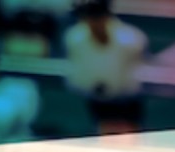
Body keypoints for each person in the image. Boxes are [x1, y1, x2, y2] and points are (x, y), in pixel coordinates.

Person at [62, 1, 148, 134]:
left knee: (128, 138)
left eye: (97, 16)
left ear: (106, 16)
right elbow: (76, 76)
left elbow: (137, 76)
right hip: (95, 100)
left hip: (127, 102)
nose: (94, 22)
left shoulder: (132, 39)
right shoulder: (75, 38)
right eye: (89, 17)